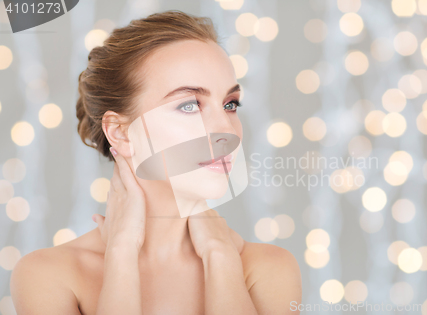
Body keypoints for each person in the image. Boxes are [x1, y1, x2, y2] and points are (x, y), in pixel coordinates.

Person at [10, 10, 302, 315]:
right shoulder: (48, 275)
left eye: (230, 104)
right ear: (120, 132)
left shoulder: (267, 268)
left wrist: (221, 258)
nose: (226, 131)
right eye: (190, 105)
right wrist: (121, 254)